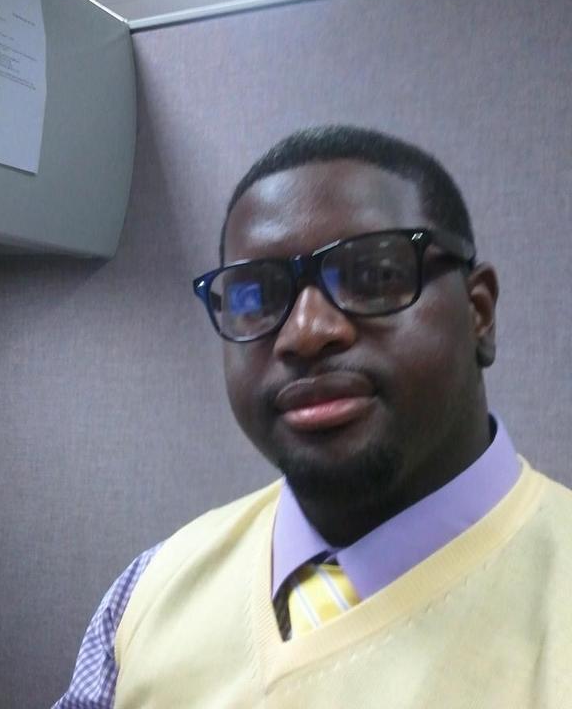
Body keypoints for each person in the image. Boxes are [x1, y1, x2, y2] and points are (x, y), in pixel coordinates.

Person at [53, 125, 572, 708]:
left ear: (479, 313)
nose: (305, 332)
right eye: (256, 295)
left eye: (374, 276)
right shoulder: (148, 593)